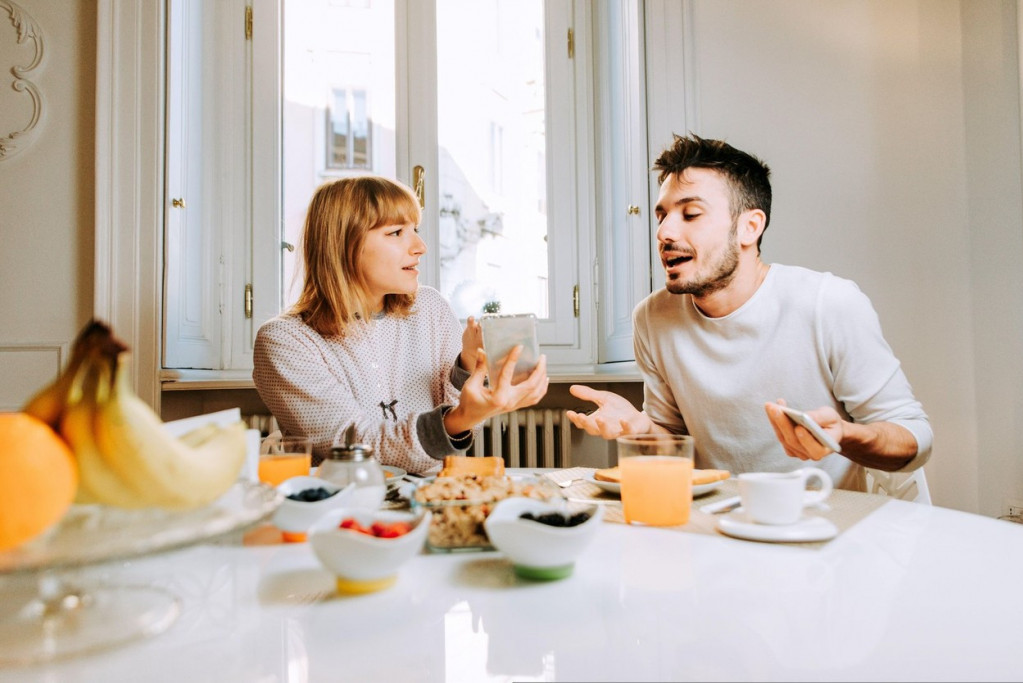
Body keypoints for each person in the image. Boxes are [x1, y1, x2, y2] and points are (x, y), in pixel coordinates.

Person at [566, 134, 931, 489]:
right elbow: (675, 441)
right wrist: (641, 427)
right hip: (721, 524)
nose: (664, 231)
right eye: (661, 216)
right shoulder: (652, 318)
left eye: (690, 214)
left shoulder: (828, 303)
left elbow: (913, 438)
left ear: (749, 227)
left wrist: (847, 436)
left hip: (829, 526)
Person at [253, 175, 549, 474]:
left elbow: (454, 417)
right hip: (345, 506)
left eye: (415, 230)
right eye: (396, 232)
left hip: (429, 496)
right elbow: (356, 447)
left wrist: (468, 368)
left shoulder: (430, 307)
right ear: (344, 245)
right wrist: (459, 418)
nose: (420, 247)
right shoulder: (285, 340)